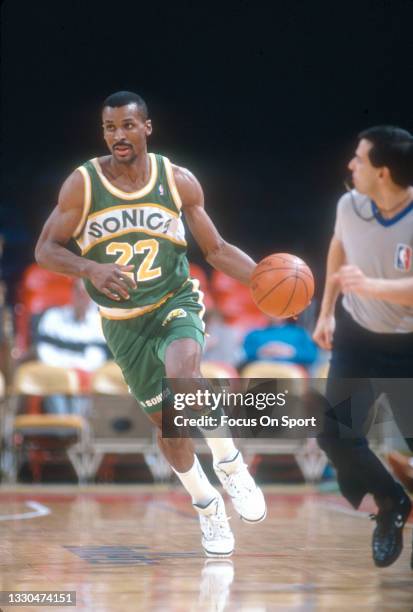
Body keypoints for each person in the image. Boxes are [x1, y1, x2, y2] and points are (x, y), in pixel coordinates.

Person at [35, 91, 266, 557]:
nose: (118, 135)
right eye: (109, 127)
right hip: (124, 323)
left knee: (186, 378)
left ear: (147, 127)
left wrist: (263, 281)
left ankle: (231, 464)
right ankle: (208, 508)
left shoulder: (177, 180)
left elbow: (217, 250)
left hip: (173, 300)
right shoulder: (82, 184)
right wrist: (91, 269)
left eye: (126, 125)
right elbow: (45, 250)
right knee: (171, 430)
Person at [313, 125, 413, 569]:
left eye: (359, 158)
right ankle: (391, 502)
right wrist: (327, 311)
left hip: (407, 346)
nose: (351, 164)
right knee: (335, 434)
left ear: (384, 172)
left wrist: (370, 285)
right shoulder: (349, 204)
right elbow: (338, 246)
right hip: (357, 337)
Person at [33, 279, 109, 414]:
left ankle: (81, 429)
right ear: (72, 293)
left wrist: (77, 371)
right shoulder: (53, 317)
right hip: (56, 378)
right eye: (78, 292)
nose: (82, 297)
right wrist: (67, 371)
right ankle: (64, 430)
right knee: (56, 382)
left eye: (85, 293)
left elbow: (97, 356)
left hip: (86, 381)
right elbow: (44, 352)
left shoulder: (100, 322)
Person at [242, 316, 318, 369]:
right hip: (261, 376)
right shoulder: (254, 334)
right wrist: (260, 352)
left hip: (289, 376)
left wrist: (292, 352)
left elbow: (312, 356)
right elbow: (242, 356)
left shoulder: (298, 333)